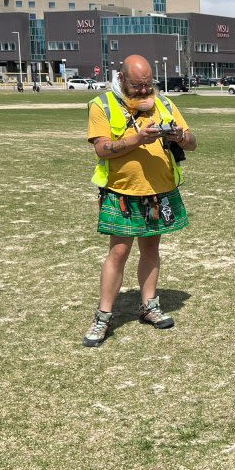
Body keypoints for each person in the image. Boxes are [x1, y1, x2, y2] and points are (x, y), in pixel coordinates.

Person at [82, 54, 197, 348]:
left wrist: (180, 137)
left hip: (158, 191)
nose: (145, 91)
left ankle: (149, 305)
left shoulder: (165, 104)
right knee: (118, 253)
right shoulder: (103, 105)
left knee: (151, 248)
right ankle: (103, 316)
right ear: (122, 79)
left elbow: (193, 142)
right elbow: (103, 149)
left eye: (148, 85)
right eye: (138, 85)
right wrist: (137, 139)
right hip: (122, 192)